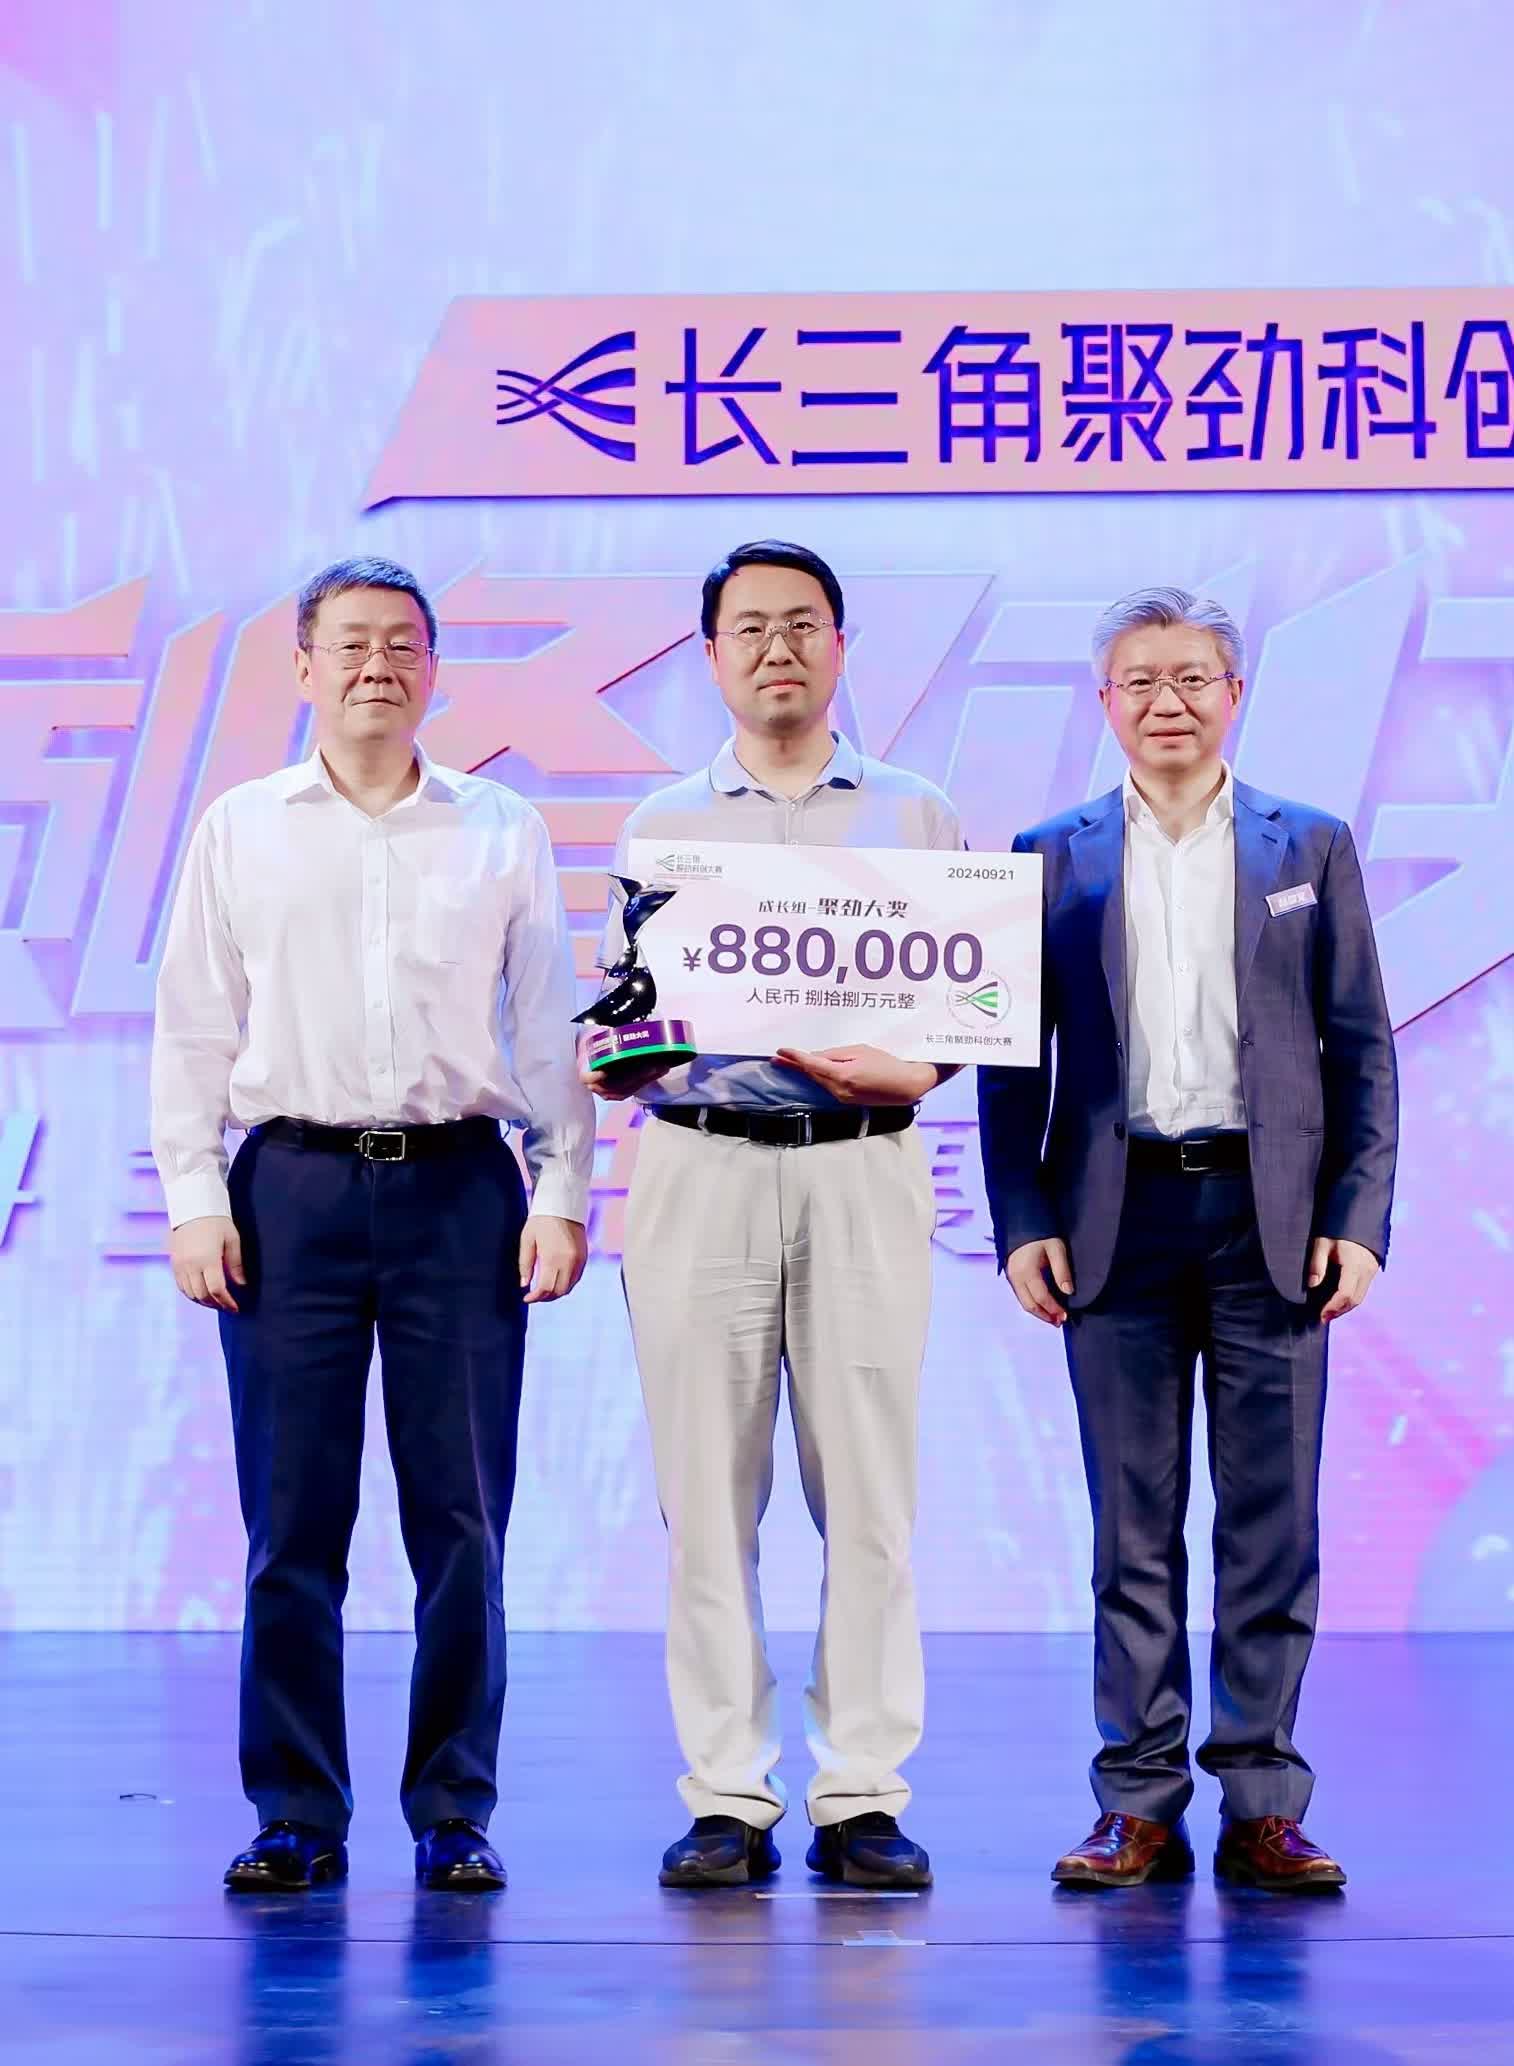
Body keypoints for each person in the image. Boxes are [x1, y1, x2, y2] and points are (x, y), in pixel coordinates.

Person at [151, 556, 593, 1893]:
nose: (376, 666)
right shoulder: (242, 826)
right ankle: (296, 1810)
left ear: (434, 669)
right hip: (288, 1189)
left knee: (462, 1521)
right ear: (302, 667)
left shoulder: (500, 826)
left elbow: (549, 1026)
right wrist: (193, 1199)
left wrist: (561, 1191)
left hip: (461, 1190)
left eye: (401, 643)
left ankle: (454, 1808)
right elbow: (192, 1029)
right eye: (349, 644)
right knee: (293, 1524)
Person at [978, 586, 1398, 1893]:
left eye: (1193, 678)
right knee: (1133, 1528)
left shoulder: (1308, 845)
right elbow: (1010, 1064)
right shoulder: (1047, 853)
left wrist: (1357, 1220)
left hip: (1273, 1224)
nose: (1168, 702)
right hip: (1113, 1223)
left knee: (1271, 1525)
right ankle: (1137, 1801)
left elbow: (1360, 1049)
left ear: (1234, 694)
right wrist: (1022, 1221)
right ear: (1104, 701)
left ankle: (1263, 1799)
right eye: (1141, 680)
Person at [587, 540, 960, 1890]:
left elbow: (965, 1005)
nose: (776, 649)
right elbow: (625, 1016)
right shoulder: (661, 823)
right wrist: (616, 1053)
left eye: (801, 623)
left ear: (842, 644)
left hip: (863, 1163)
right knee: (705, 1497)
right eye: (748, 628)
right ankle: (726, 1795)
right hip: (701, 1168)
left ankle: (861, 1793)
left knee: (868, 1497)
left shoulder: (915, 814)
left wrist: (922, 1070)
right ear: (710, 657)